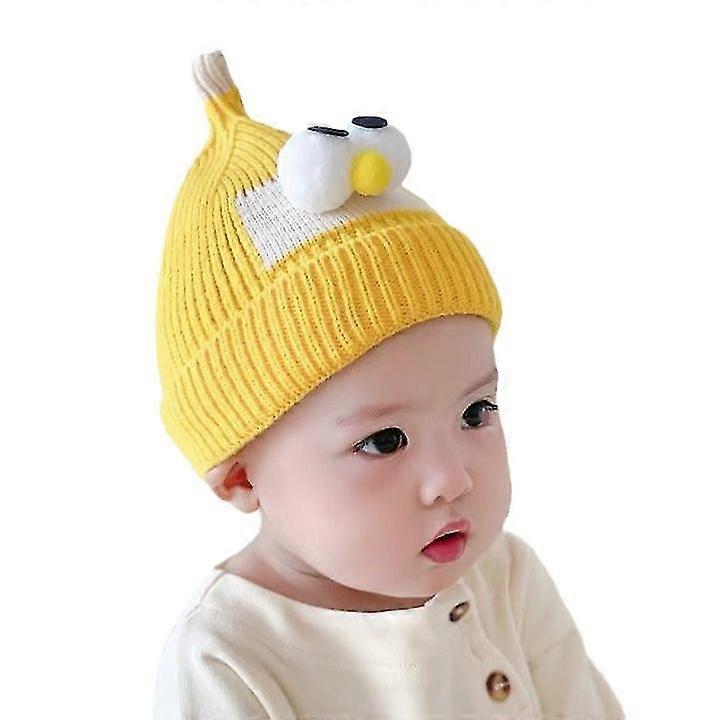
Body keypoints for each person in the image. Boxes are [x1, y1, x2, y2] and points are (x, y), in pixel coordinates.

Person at [153, 49, 625, 720]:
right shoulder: (229, 656)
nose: (453, 479)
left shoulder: (506, 580)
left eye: (475, 412)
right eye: (384, 440)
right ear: (239, 474)